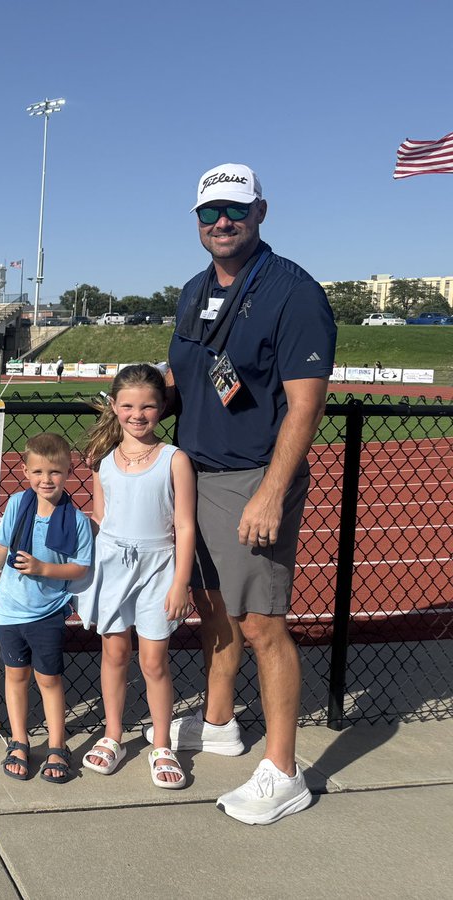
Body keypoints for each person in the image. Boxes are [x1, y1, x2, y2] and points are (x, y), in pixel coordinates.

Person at [163, 163, 335, 824]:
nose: (222, 222)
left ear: (260, 211)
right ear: (197, 221)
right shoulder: (193, 290)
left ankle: (284, 771)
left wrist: (271, 492)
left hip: (252, 478)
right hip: (195, 474)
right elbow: (186, 375)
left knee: (264, 624)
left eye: (234, 210)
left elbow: (304, 406)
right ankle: (219, 721)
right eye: (210, 213)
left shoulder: (292, 292)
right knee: (216, 612)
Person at [76, 365, 196, 789]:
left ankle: (162, 744)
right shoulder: (103, 461)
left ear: (162, 408)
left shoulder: (174, 459)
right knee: (113, 655)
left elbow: (184, 525)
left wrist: (181, 581)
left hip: (159, 569)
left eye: (147, 405)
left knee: (153, 660)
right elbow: (100, 517)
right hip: (111, 569)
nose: (137, 414)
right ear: (114, 406)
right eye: (127, 405)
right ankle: (113, 735)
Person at [0, 434, 92, 784]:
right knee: (15, 676)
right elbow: (0, 547)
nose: (46, 480)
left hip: (47, 613)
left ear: (68, 471)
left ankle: (58, 745)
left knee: (49, 679)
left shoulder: (75, 520)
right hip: (10, 613)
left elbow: (80, 568)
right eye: (39, 472)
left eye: (55, 472)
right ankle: (19, 740)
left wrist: (44, 569)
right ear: (26, 470)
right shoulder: (18, 503)